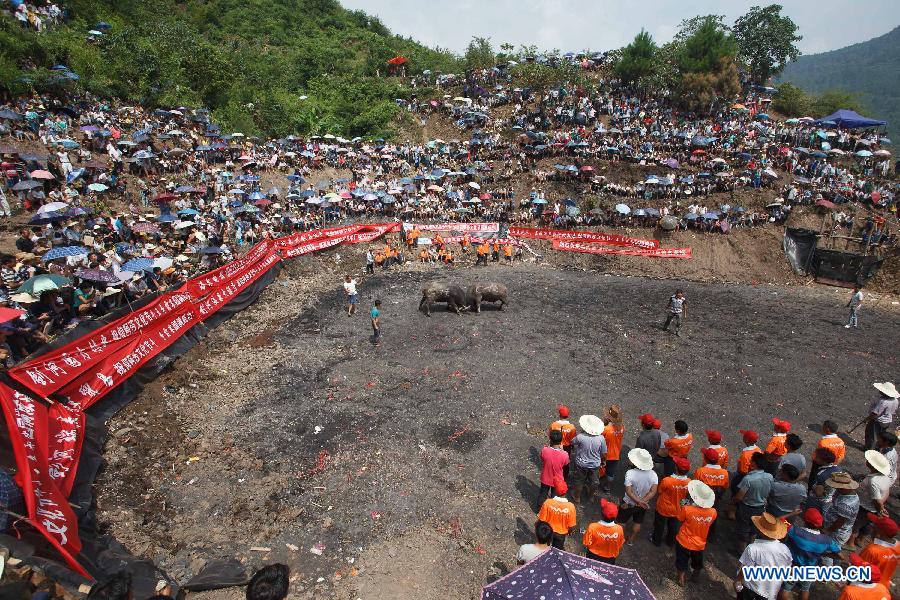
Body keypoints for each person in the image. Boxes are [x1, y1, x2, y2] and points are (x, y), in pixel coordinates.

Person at [781, 508, 841, 600]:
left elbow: (780, 520)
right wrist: (824, 554)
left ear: (805, 521)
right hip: (810, 569)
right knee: (805, 589)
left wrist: (792, 513)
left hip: (794, 567)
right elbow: (840, 556)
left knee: (786, 589)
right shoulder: (827, 540)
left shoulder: (796, 531)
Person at [735, 513, 793, 600]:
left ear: (760, 530)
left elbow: (744, 570)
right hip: (771, 594)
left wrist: (737, 581)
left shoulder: (753, 548)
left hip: (751, 591)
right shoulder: (785, 550)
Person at [675, 480, 717, 587]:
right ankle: (695, 575)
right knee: (697, 562)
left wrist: (682, 506)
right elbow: (709, 523)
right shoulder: (713, 512)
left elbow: (680, 518)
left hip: (684, 540)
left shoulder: (687, 509)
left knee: (682, 560)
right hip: (699, 544)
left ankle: (681, 578)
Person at [848, 451, 892, 547]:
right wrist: (880, 507)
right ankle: (860, 540)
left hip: (864, 507)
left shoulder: (873, 481)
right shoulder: (885, 478)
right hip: (872, 508)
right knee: (867, 526)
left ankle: (850, 544)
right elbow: (887, 492)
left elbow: (876, 499)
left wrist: (880, 508)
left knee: (855, 525)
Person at [733, 452, 774, 551]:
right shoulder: (769, 476)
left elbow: (739, 497)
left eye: (751, 460)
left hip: (746, 507)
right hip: (760, 507)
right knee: (754, 529)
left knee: (743, 530)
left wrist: (733, 501)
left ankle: (742, 552)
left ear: (754, 464)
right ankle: (751, 549)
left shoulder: (748, 479)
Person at [619, 448, 658, 545]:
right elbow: (653, 491)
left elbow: (629, 491)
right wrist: (642, 501)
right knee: (638, 522)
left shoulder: (630, 473)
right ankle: (631, 539)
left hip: (628, 503)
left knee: (622, 521)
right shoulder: (653, 474)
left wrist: (637, 501)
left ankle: (621, 538)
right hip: (643, 505)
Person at [652, 456, 690, 547]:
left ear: (676, 468)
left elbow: (660, 491)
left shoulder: (667, 480)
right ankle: (670, 542)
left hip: (663, 507)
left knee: (659, 525)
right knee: (673, 527)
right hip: (677, 509)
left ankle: (656, 541)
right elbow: (687, 496)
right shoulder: (689, 482)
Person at [571, 414, 606, 503]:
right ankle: (591, 496)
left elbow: (573, 442)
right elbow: (604, 452)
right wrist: (603, 461)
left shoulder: (581, 436)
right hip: (595, 464)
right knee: (594, 481)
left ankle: (577, 497)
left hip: (581, 463)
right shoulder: (601, 438)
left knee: (579, 480)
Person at [822, 472, 860, 553]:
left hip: (837, 532)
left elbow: (840, 521)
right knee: (835, 550)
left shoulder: (845, 504)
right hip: (839, 529)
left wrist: (828, 530)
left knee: (829, 551)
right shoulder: (851, 494)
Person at [858, 515, 899, 587]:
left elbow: (859, 571)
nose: (872, 527)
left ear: (880, 532)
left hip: (865, 587)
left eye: (874, 526)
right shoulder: (898, 546)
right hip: (883, 587)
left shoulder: (872, 550)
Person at [537, 478, 576, 549]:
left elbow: (541, 520)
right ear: (566, 491)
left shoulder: (548, 502)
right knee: (557, 550)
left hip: (547, 532)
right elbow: (571, 526)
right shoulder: (571, 507)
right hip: (561, 535)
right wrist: (570, 532)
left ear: (556, 490)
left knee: (545, 548)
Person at [583, 499, 625, 564]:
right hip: (610, 559)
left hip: (592, 556)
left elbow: (586, 543)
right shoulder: (619, 529)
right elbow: (619, 545)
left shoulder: (592, 526)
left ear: (602, 513)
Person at [864, 382, 899, 451]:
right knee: (881, 436)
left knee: (871, 435)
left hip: (878, 421)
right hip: (887, 421)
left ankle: (869, 449)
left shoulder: (883, 401)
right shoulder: (895, 400)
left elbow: (875, 414)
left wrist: (867, 419)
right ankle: (877, 448)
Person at [539, 429, 569, 502]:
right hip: (558, 479)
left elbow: (542, 459)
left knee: (542, 494)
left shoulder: (545, 450)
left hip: (545, 477)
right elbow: (566, 466)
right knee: (555, 497)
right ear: (561, 441)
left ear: (550, 440)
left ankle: (539, 509)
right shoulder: (565, 454)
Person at [601, 405, 624, 492]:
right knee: (611, 473)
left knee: (601, 466)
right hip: (616, 454)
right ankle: (607, 488)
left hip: (605, 453)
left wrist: (604, 424)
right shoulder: (622, 427)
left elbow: (601, 439)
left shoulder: (605, 429)